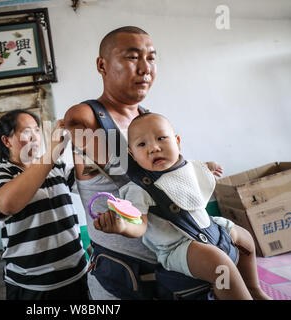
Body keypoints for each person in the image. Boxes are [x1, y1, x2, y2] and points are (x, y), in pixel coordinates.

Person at [64, 26, 223, 300]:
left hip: (176, 273)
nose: (145, 68)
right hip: (126, 279)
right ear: (102, 65)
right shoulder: (87, 117)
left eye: (151, 58)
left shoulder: (147, 119)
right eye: (132, 57)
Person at [94, 112, 271, 300]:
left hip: (209, 226)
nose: (154, 148)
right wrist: (123, 226)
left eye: (161, 138)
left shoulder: (186, 166)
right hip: (178, 247)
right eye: (142, 144)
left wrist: (208, 166)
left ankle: (253, 288)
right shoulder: (139, 189)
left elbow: (192, 171)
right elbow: (139, 225)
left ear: (177, 142)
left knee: (247, 240)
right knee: (221, 266)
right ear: (132, 154)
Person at [0, 109, 89, 300]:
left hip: (77, 276)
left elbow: (90, 181)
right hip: (32, 287)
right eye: (26, 132)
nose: (35, 137)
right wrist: (52, 153)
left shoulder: (56, 168)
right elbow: (7, 204)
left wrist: (80, 140)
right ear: (6, 141)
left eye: (37, 130)